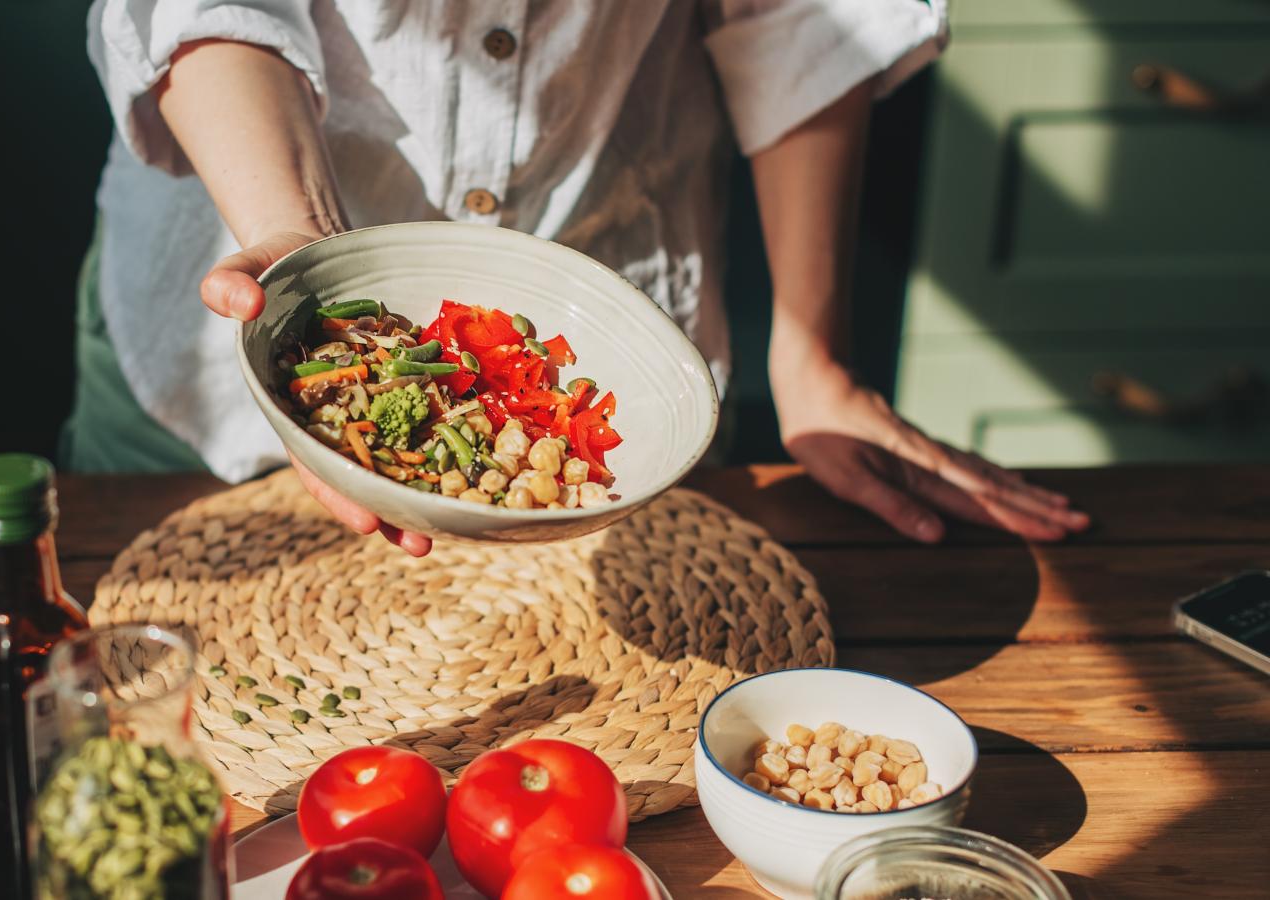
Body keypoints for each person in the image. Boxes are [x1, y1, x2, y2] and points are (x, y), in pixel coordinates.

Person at [65, 0, 1089, 556]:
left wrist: (811, 353)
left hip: (617, 285)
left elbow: (801, 14)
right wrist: (307, 253)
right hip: (218, 307)